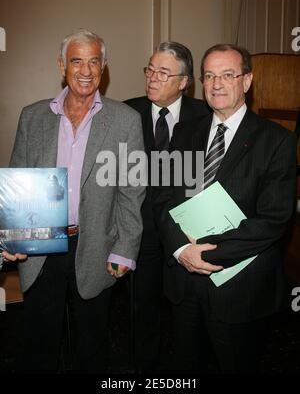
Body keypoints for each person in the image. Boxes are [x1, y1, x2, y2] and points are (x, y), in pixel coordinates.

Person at [154, 44, 297, 373]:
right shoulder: (183, 133)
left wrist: (205, 254)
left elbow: (274, 219)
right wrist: (180, 250)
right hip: (183, 283)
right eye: (209, 76)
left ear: (247, 81)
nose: (217, 84)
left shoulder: (277, 141)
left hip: (241, 289)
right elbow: (162, 197)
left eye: (228, 75)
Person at [8, 29, 145, 373]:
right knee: (38, 342)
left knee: (92, 344)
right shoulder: (32, 116)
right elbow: (17, 181)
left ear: (104, 67)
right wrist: (11, 237)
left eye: (94, 61)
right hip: (41, 247)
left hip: (96, 245)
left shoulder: (126, 121)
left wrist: (125, 248)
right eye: (77, 61)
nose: (86, 70)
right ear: (61, 66)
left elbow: (132, 191)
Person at [125, 41, 210, 372]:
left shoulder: (205, 114)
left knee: (188, 311)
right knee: (142, 308)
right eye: (150, 69)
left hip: (189, 232)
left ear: (185, 81)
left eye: (163, 72)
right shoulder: (127, 112)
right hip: (141, 231)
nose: (152, 78)